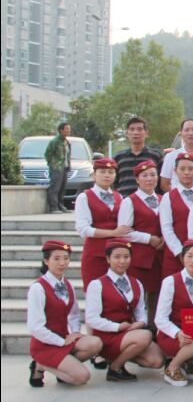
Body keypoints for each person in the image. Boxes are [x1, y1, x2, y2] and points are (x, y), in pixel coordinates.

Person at [85, 239, 165, 381]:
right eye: (117, 257)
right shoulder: (97, 285)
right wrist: (117, 327)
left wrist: (141, 322)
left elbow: (140, 309)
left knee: (157, 360)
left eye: (126, 257)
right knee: (146, 335)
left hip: (128, 332)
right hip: (107, 335)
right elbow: (91, 319)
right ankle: (115, 367)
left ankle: (118, 356)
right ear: (108, 259)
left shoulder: (136, 283)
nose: (122, 261)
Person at [28, 240, 103, 387]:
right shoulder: (38, 288)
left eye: (66, 258)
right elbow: (35, 327)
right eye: (56, 259)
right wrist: (61, 342)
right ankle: (40, 364)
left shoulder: (67, 285)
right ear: (46, 261)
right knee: (82, 377)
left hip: (64, 338)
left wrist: (75, 332)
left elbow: (74, 314)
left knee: (96, 343)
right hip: (45, 344)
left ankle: (64, 368)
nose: (62, 263)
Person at [154, 239, 193, 387]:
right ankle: (172, 368)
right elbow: (160, 318)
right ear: (182, 258)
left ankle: (187, 361)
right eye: (189, 256)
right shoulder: (170, 281)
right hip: (173, 333)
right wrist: (177, 333)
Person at [117, 160, 164, 321]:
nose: (149, 179)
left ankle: (154, 327)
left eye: (153, 175)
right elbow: (124, 232)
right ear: (137, 179)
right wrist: (148, 239)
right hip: (139, 258)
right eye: (145, 176)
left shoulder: (163, 199)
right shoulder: (129, 201)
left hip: (159, 257)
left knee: (157, 296)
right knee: (137, 295)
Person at [75, 157, 128, 290]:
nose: (106, 175)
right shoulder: (84, 197)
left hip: (117, 254)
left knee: (116, 293)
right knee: (95, 291)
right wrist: (112, 233)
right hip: (95, 253)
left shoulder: (119, 197)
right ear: (94, 175)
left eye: (110, 172)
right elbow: (83, 229)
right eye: (102, 172)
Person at [158, 153, 193, 278]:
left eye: (190, 169)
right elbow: (166, 228)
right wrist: (180, 252)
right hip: (175, 255)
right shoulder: (168, 197)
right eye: (182, 169)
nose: (186, 172)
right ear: (175, 171)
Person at [113, 117, 164, 197]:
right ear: (127, 133)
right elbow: (113, 183)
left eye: (139, 129)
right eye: (132, 129)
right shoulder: (118, 157)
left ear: (146, 133)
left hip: (149, 201)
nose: (135, 132)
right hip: (124, 200)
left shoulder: (156, 156)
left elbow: (162, 182)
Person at [160, 119, 193, 192]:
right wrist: (177, 196)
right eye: (187, 130)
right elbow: (164, 184)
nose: (190, 133)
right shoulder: (171, 156)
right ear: (181, 133)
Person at [44, 122, 71, 213]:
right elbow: (47, 154)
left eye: (69, 129)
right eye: (67, 129)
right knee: (55, 188)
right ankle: (54, 207)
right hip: (56, 168)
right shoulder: (54, 141)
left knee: (62, 188)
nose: (69, 131)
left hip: (64, 167)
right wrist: (53, 164)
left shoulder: (66, 142)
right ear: (61, 130)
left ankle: (60, 206)